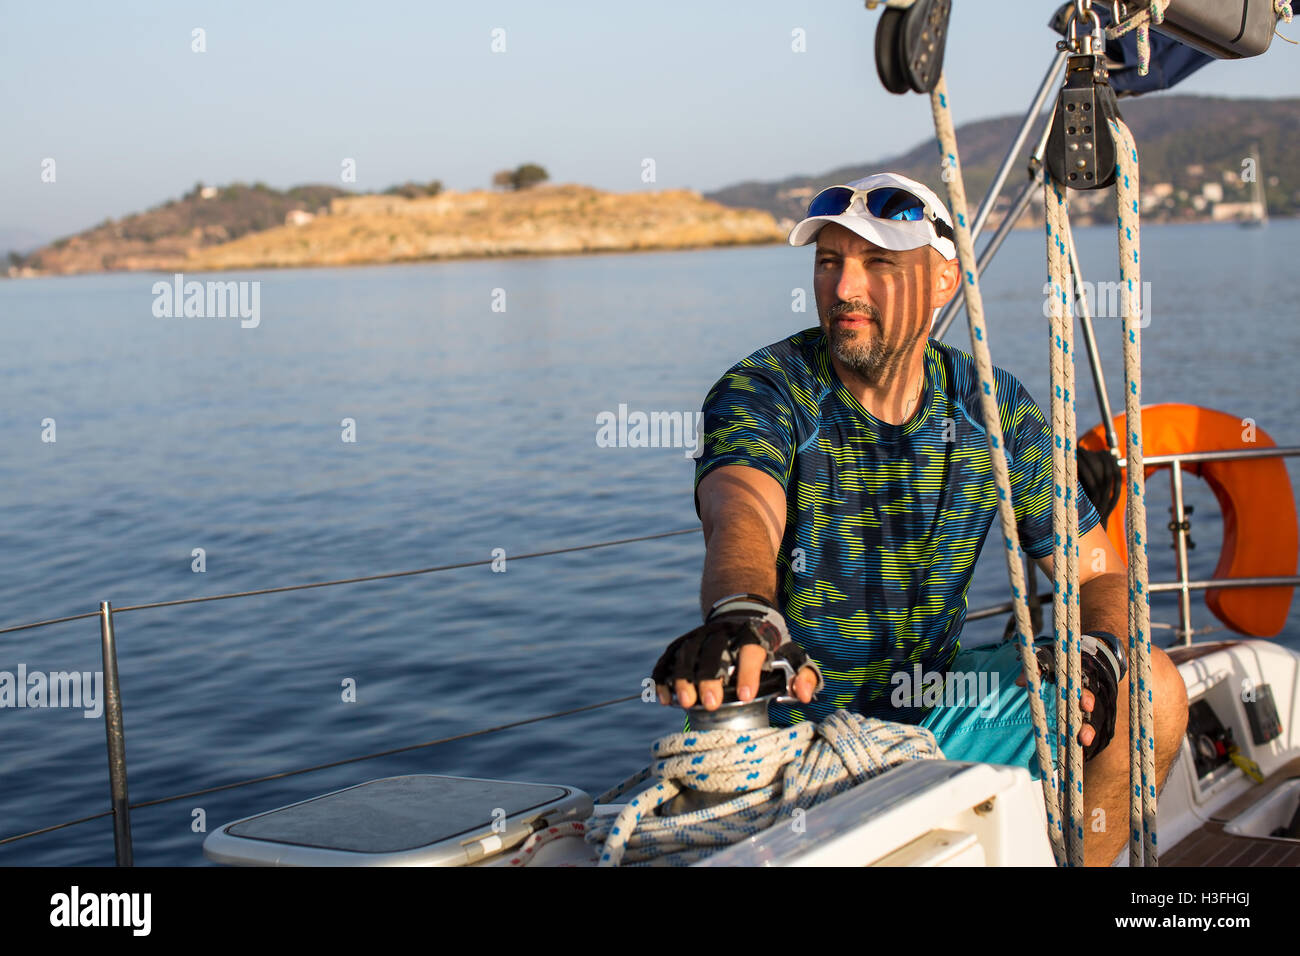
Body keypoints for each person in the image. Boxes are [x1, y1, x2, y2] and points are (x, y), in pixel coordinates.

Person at [652, 172, 1188, 866]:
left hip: (936, 714)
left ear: (943, 281)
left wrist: (1098, 652)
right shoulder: (767, 391)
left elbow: (1099, 571)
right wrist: (741, 611)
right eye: (828, 262)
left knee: (1154, 688)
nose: (844, 288)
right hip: (798, 741)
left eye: (878, 264)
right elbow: (742, 507)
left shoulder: (991, 406)